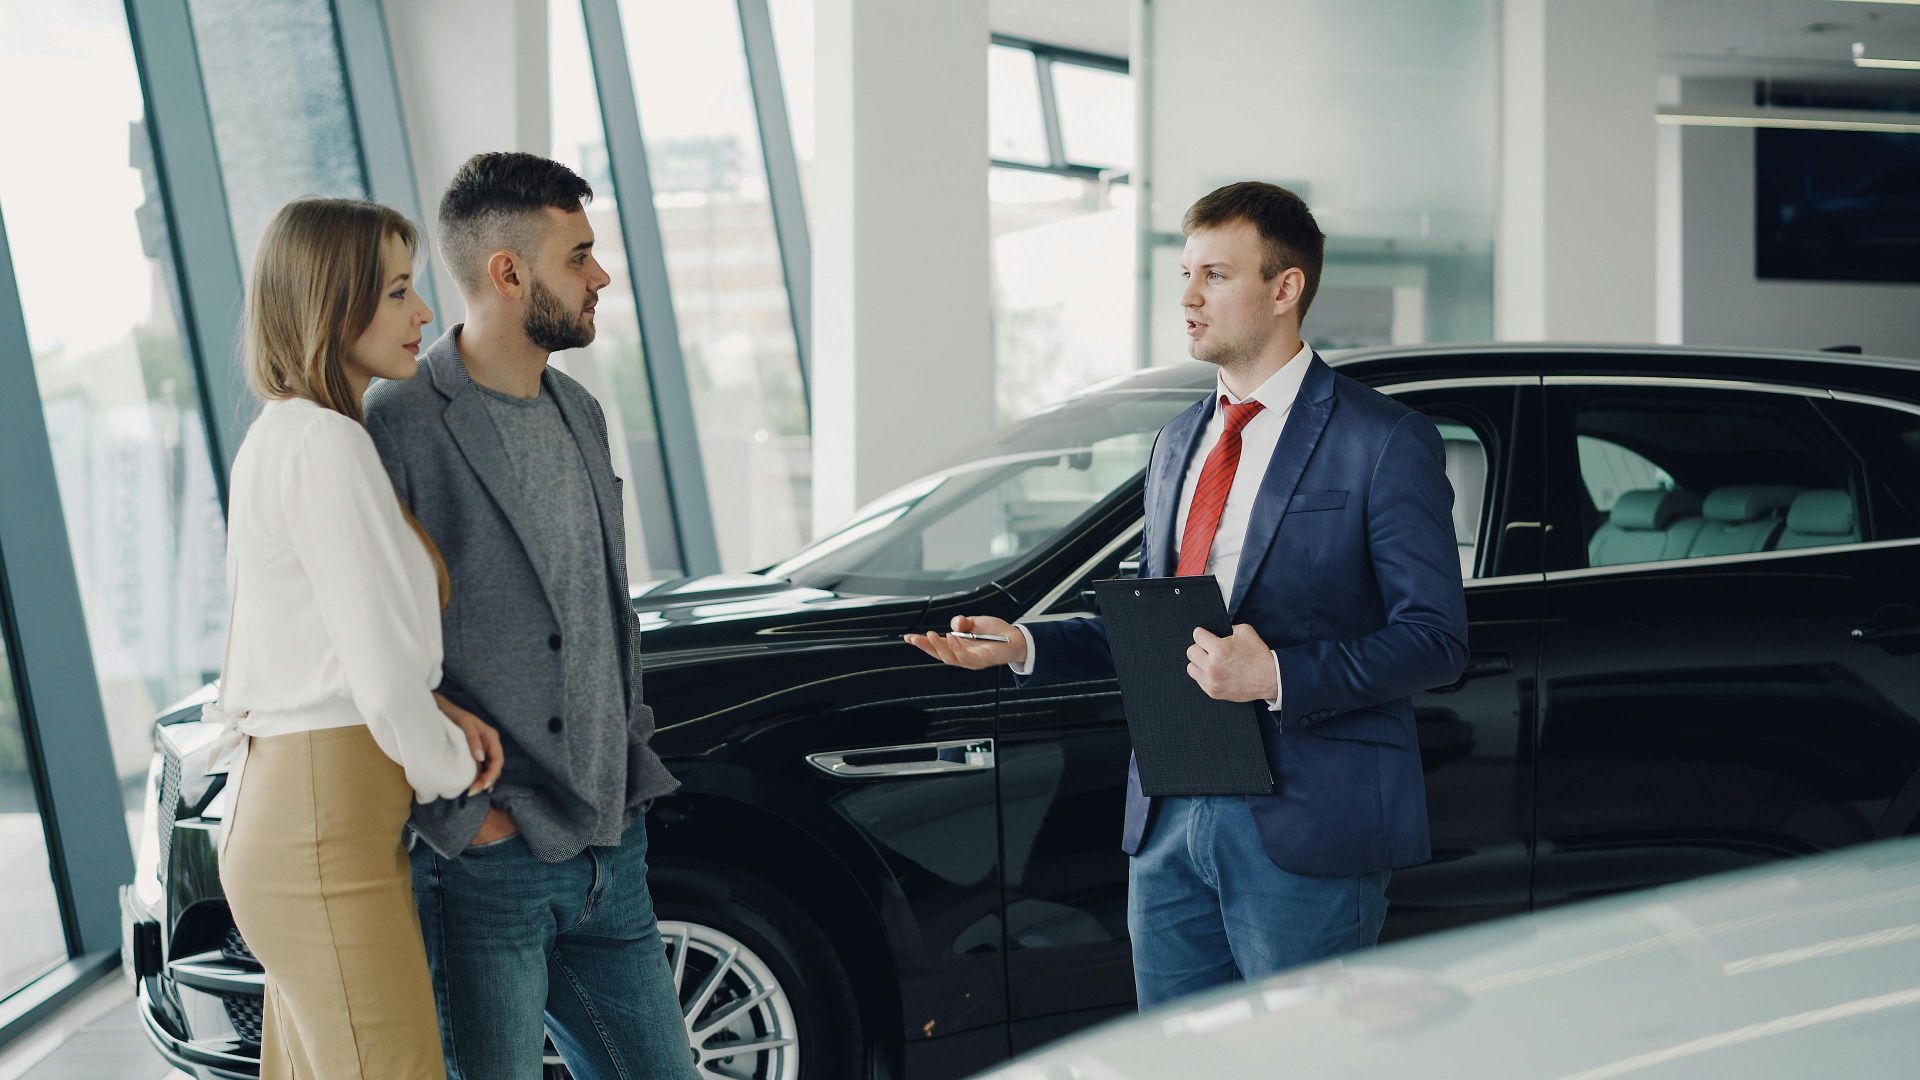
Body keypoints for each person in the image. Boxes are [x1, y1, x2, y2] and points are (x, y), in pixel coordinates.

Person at [908, 181, 1467, 1009]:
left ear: (1285, 289)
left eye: (1214, 274)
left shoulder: (1382, 441)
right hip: (1169, 816)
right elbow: (1156, 619)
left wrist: (1275, 674)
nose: (1188, 297)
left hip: (1305, 824)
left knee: (1300, 1065)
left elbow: (1435, 639)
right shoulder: (1180, 442)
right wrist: (1024, 645)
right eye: (1186, 274)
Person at [364, 152, 692, 1080]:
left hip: (606, 849)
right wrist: (474, 825)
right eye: (579, 255)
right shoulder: (402, 424)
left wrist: (626, 768)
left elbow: (604, 613)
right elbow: (370, 637)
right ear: (508, 273)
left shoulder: (580, 410)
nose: (601, 276)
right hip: (487, 863)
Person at [208, 196, 506, 1079]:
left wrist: (432, 701)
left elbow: (330, 649)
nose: (422, 316)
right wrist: (460, 777)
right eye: (398, 292)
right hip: (322, 823)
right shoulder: (327, 445)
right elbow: (374, 681)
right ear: (332, 307)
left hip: (303, 810)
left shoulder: (288, 436)